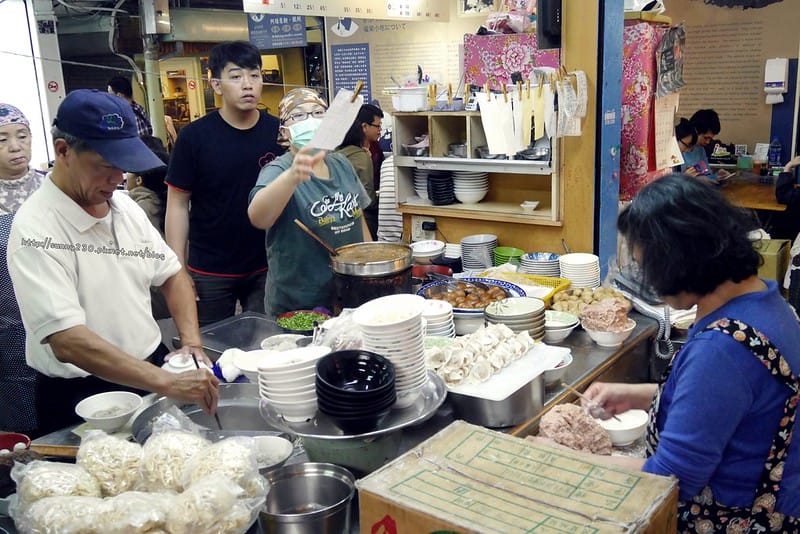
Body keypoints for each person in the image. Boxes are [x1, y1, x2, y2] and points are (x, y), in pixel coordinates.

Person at [546, 174, 800, 529]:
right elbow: (725, 401)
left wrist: (561, 460)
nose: (649, 281)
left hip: (734, 517)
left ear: (679, 260)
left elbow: (668, 479)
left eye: (648, 266)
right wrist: (635, 395)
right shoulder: (764, 301)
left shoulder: (723, 348)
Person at [7, 89, 218, 437]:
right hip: (84, 394)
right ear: (63, 152)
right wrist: (166, 381)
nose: (118, 178)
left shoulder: (125, 208)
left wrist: (191, 344)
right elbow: (68, 341)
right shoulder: (35, 230)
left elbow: (172, 275)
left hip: (149, 370)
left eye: (123, 166)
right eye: (106, 165)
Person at [165, 41, 283, 326]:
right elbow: (177, 205)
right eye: (236, 76)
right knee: (211, 347)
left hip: (267, 264)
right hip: (210, 269)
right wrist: (178, 271)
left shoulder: (278, 132)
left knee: (266, 345)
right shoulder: (194, 137)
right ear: (215, 84)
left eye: (254, 75)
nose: (248, 85)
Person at [247, 87, 371, 317]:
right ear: (284, 131)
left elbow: (357, 216)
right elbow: (258, 217)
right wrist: (292, 176)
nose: (310, 120)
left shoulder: (340, 163)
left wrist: (371, 267)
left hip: (348, 292)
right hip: (300, 303)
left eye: (318, 112)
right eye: (298, 115)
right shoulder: (278, 170)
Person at [0, 103, 45, 435]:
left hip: (60, 315)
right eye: (2, 139)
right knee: (19, 409)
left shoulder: (54, 188)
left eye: (22, 136)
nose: (15, 146)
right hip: (8, 328)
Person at [127, 135, 171, 320]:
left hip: (152, 296)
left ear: (138, 180)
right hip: (173, 286)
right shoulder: (169, 201)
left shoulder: (136, 210)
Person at [336, 104, 381, 238]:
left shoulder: (337, 150)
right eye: (377, 126)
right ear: (364, 127)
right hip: (361, 217)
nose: (380, 130)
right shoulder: (360, 156)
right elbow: (367, 198)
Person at [680, 108, 720, 181]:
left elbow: (706, 173)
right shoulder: (680, 148)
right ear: (695, 131)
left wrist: (716, 176)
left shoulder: (700, 149)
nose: (707, 142)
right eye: (705, 138)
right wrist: (684, 178)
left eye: (710, 139)